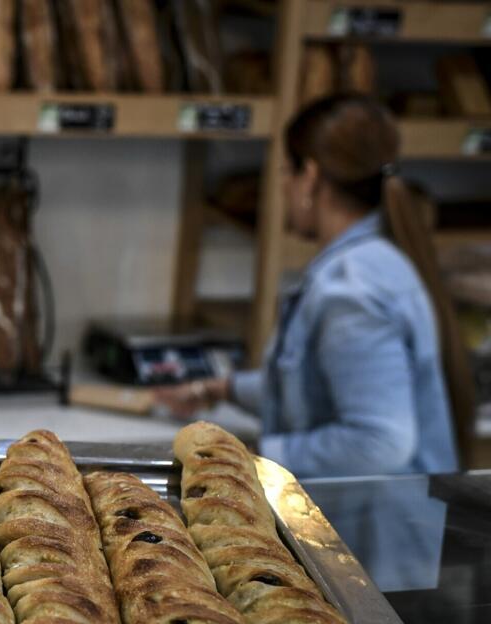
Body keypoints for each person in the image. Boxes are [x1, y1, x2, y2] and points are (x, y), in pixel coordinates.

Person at [156, 94, 472, 477]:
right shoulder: (372, 260)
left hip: (369, 530)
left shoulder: (352, 289)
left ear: (310, 177)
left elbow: (379, 443)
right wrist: (221, 389)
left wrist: (252, 456)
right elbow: (311, 386)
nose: (283, 188)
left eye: (286, 172)